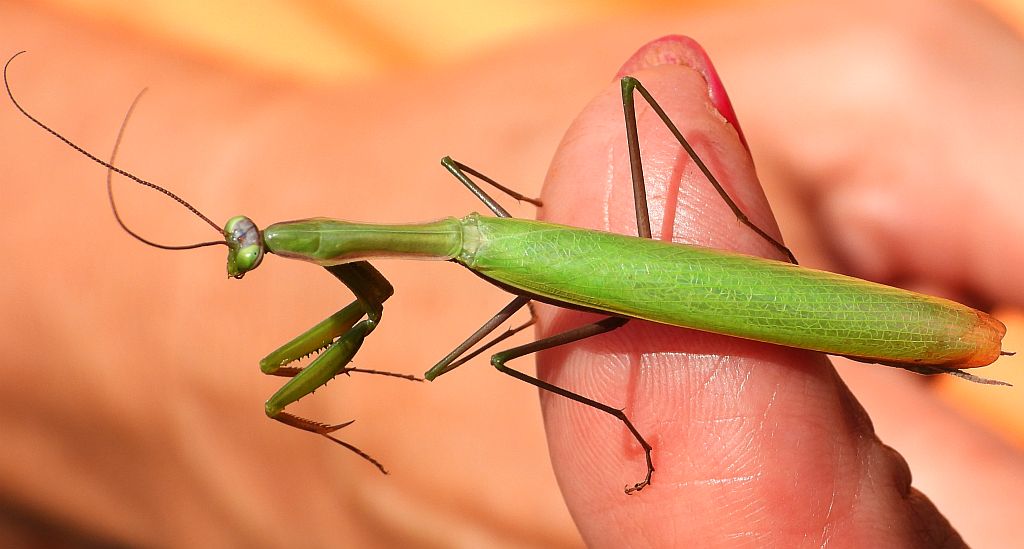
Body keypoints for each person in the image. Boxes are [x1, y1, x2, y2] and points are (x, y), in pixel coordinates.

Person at [1, 0, 1021, 546]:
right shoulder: (453, 215)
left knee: (468, 364)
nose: (246, 252)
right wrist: (148, 345)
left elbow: (370, 301)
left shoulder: (417, 259)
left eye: (249, 243)